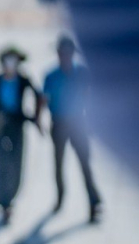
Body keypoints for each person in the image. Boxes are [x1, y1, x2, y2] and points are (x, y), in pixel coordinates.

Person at [0, 46, 43, 225]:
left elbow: (39, 96)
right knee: (0, 162)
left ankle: (11, 198)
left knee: (16, 162)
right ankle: (3, 202)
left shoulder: (23, 79)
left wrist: (37, 118)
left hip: (17, 123)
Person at [41, 34, 103, 223]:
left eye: (67, 53)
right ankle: (60, 197)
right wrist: (37, 119)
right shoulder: (51, 75)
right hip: (59, 123)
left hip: (78, 123)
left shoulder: (82, 73)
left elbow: (91, 96)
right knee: (58, 163)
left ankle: (94, 202)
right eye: (61, 53)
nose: (64, 57)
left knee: (85, 163)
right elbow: (44, 99)